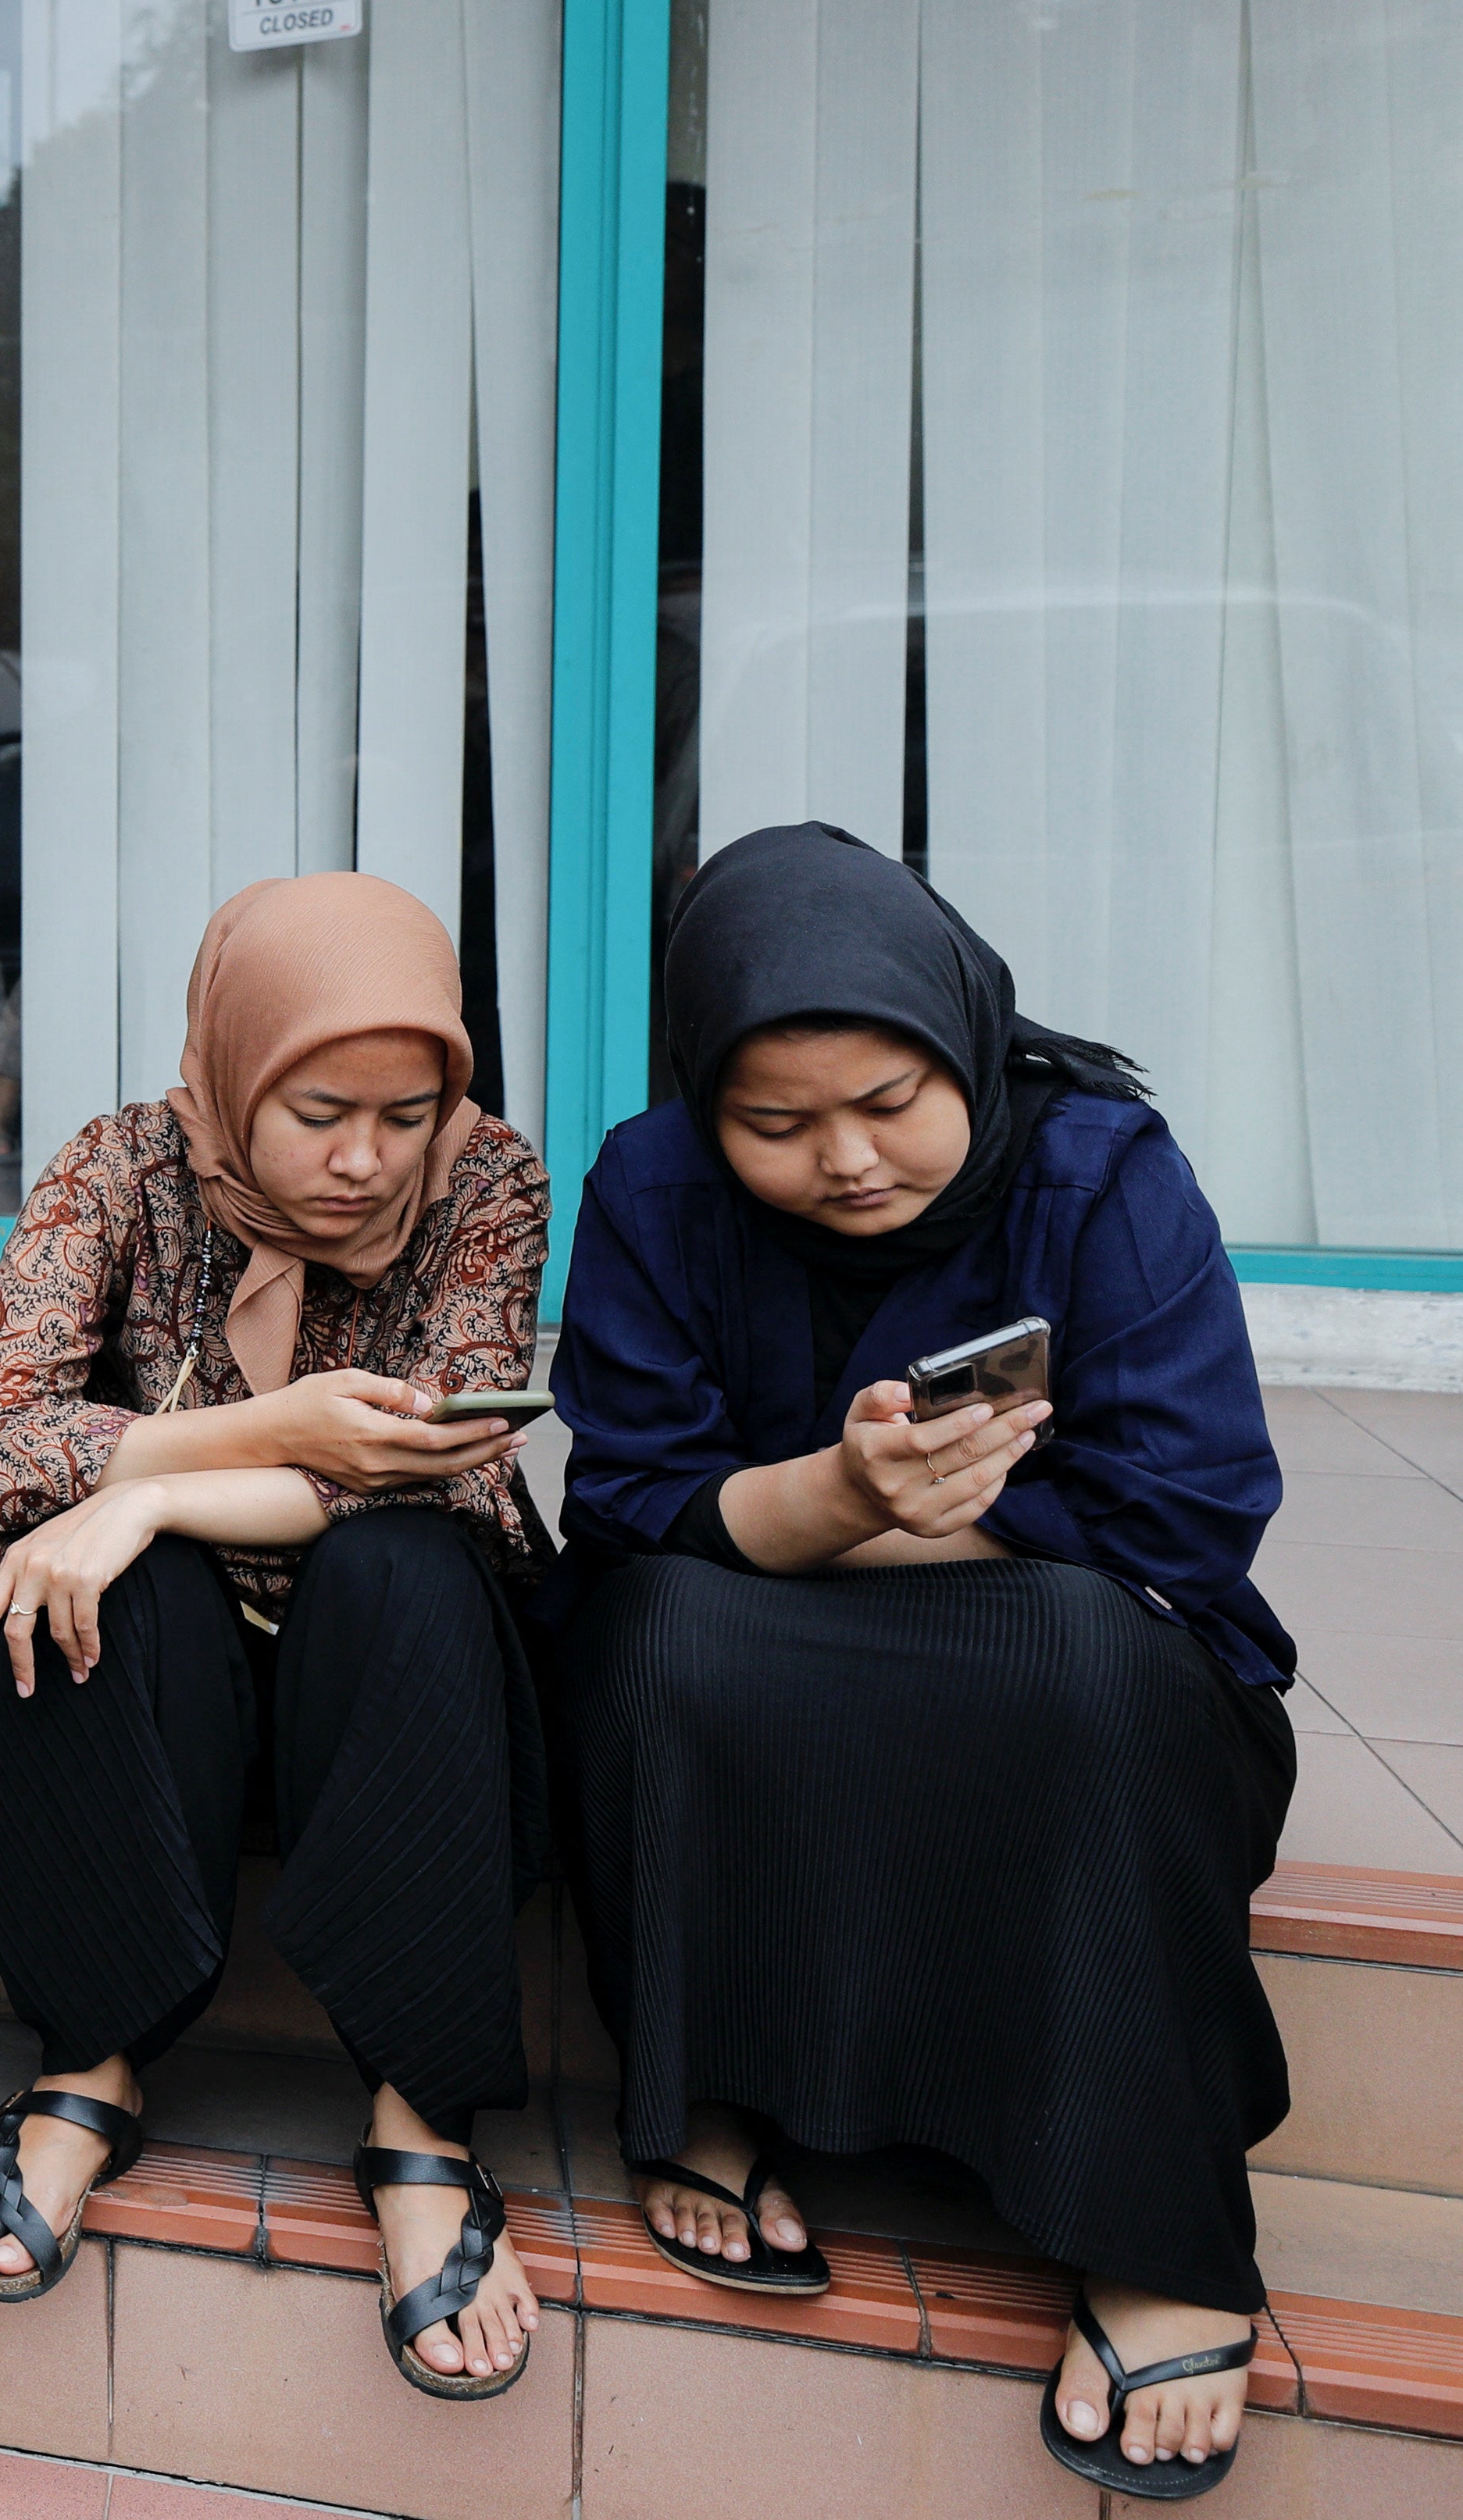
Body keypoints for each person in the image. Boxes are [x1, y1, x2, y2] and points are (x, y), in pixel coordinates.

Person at [554, 820, 1294, 2498]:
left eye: (888, 1103)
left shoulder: (1099, 1169)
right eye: (775, 1122)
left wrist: (903, 1527)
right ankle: (715, 2087)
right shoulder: (648, 1182)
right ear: (703, 1102)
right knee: (646, 1635)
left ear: (958, 1033)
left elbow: (1181, 1518)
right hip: (747, 1616)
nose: (845, 1161)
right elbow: (628, 1496)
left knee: (1085, 1656)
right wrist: (829, 1493)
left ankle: (1150, 2222)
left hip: (1063, 1638)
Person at [0, 872, 552, 2400]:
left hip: (398, 1659)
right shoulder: (119, 1168)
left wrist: (146, 1490)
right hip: (173, 1661)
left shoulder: (487, 1181)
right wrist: (253, 1438)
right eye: (318, 1105)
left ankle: (418, 2113)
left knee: (397, 1565)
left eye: (406, 1111)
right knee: (71, 1571)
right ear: (233, 1062)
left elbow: (449, 1467)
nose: (362, 1158)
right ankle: (90, 2054)